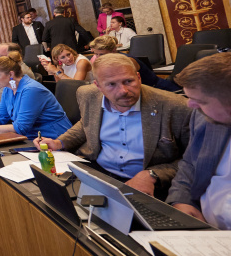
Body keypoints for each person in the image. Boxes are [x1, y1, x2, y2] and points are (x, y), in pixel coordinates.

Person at [35, 54, 191, 198]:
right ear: (98, 86)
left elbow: (193, 159)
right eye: (111, 84)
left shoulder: (176, 107)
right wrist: (59, 142)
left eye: (129, 81)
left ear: (138, 77)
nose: (123, 91)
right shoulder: (87, 94)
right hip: (98, 173)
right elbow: (86, 123)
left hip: (148, 186)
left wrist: (153, 174)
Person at [166, 53, 231, 228]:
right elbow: (190, 163)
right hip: (204, 230)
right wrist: (182, 201)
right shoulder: (204, 117)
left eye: (199, 101)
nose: (190, 105)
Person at [0, 56, 71, 139]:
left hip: (54, 137)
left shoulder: (31, 90)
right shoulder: (7, 88)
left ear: (11, 74)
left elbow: (21, 128)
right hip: (33, 137)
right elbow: (0, 116)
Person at [89, 36, 180, 92]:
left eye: (102, 54)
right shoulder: (108, 62)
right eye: (96, 54)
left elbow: (130, 85)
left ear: (113, 50)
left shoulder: (128, 61)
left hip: (160, 89)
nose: (98, 57)